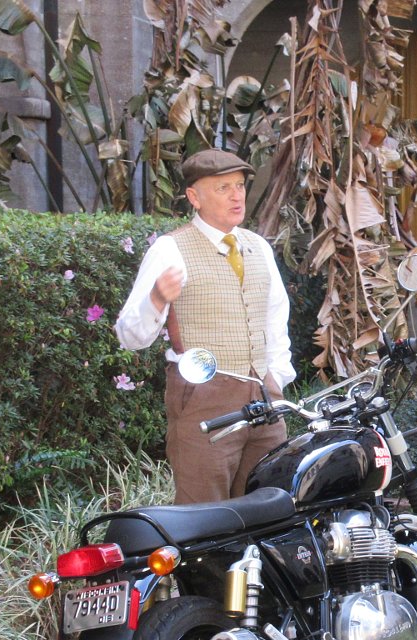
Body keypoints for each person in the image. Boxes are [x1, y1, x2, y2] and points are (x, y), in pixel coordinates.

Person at [115, 148, 295, 504]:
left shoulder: (258, 246)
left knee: (269, 502)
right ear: (194, 197)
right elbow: (128, 336)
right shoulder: (171, 248)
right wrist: (156, 298)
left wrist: (276, 377)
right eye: (223, 187)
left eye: (240, 186)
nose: (236, 195)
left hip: (264, 397)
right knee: (205, 513)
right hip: (203, 396)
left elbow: (276, 319)